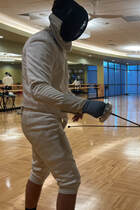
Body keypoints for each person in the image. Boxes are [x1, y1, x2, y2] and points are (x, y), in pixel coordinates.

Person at [21, 1, 112, 210]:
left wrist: (74, 107)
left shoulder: (57, 46)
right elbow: (39, 89)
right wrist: (82, 104)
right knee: (70, 180)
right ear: (60, 21)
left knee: (39, 171)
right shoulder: (41, 44)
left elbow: (60, 88)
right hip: (39, 119)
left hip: (47, 117)